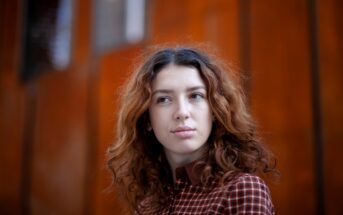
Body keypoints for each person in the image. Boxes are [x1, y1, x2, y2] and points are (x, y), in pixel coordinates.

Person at [107, 45, 278, 214]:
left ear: (215, 110)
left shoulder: (242, 191)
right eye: (164, 99)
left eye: (195, 96)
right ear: (146, 119)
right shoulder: (145, 208)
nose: (182, 112)